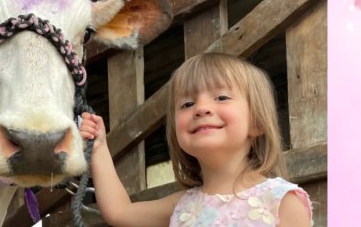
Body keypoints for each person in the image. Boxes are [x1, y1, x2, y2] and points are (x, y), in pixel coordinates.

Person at [80, 52, 313, 226]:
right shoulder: (181, 205)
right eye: (187, 104)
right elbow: (119, 212)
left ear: (257, 122)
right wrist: (98, 146)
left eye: (221, 97)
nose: (201, 108)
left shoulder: (281, 201)